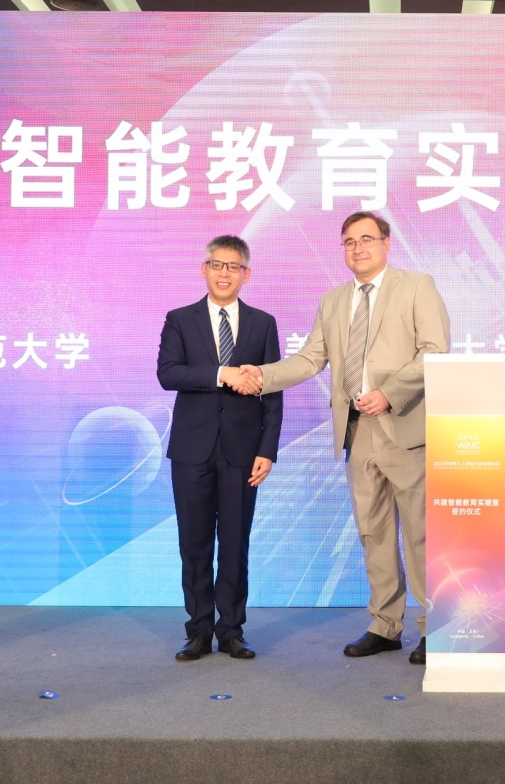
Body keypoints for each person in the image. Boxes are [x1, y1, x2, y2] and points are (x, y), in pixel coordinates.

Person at [238, 212, 449, 664]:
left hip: (404, 426)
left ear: (387, 243)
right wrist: (263, 376)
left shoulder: (416, 286)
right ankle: (385, 625)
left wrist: (389, 393)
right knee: (373, 532)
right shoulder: (334, 300)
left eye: (367, 239)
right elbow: (310, 358)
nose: (358, 248)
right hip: (356, 429)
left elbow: (435, 351)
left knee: (421, 534)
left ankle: (435, 629)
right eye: (349, 241)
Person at [156, 235, 283, 661]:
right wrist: (221, 374)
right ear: (204, 269)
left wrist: (268, 449)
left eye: (233, 266)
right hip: (191, 450)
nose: (224, 273)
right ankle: (198, 631)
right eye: (217, 264)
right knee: (194, 545)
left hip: (243, 452)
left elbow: (273, 392)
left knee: (234, 544)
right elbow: (168, 373)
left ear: (247, 274)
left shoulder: (263, 323)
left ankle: (231, 630)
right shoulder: (180, 319)